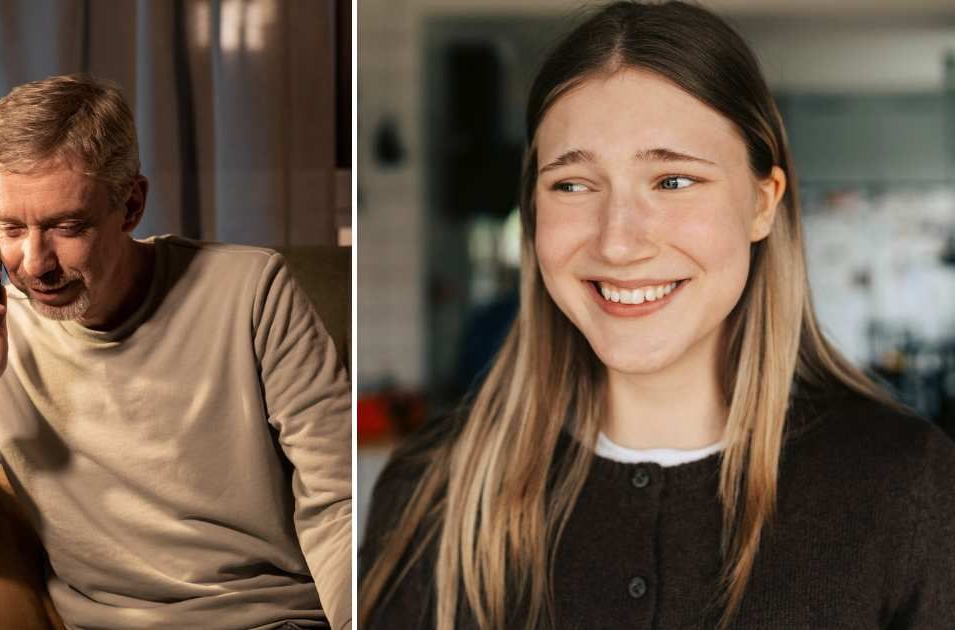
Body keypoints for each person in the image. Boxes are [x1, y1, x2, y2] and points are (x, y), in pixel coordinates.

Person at [358, 2, 955, 629]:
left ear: (762, 203)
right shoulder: (434, 491)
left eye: (672, 181)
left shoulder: (909, 488)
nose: (617, 242)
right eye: (572, 185)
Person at [0, 73, 351, 630]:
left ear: (132, 205)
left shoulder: (254, 291)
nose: (35, 262)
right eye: (10, 228)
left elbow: (340, 503)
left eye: (67, 226)